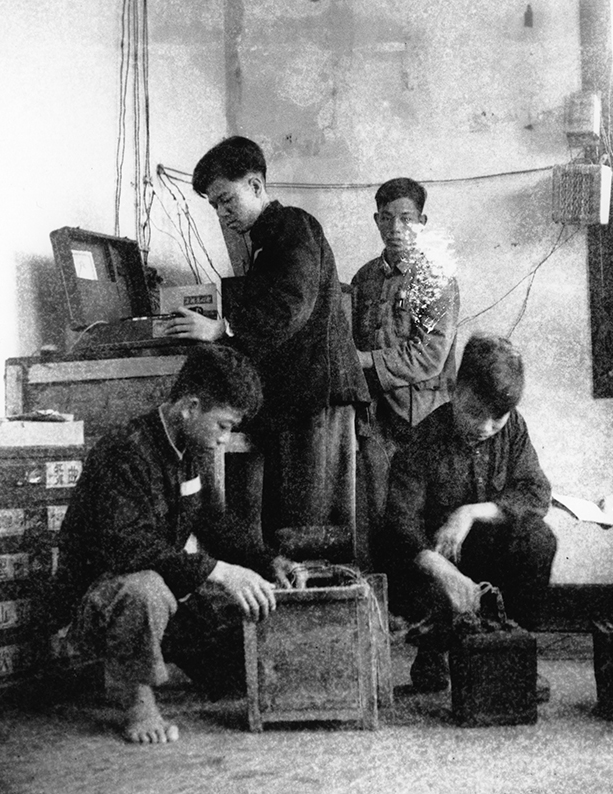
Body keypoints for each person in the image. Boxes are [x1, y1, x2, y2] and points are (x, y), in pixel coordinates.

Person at [54, 345, 297, 744]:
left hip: (167, 593)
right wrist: (220, 572)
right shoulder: (124, 451)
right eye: (223, 425)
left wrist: (267, 561)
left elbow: (213, 521)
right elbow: (128, 549)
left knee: (246, 673)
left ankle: (154, 660)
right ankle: (137, 699)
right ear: (190, 407)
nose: (225, 439)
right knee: (143, 589)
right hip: (99, 599)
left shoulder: (190, 449)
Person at [166, 135, 369, 550]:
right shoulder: (265, 241)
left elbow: (291, 305)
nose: (222, 214)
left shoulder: (292, 225)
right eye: (214, 206)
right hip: (303, 401)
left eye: (226, 200)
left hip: (318, 400)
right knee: (292, 525)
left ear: (256, 186)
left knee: (308, 531)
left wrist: (223, 330)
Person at [383, 334, 557, 692]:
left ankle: (515, 651)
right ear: (455, 389)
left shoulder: (513, 429)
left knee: (538, 540)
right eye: (475, 412)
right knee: (400, 560)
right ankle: (432, 650)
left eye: (498, 418)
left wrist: (469, 512)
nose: (485, 426)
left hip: (489, 557)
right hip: (437, 563)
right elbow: (400, 523)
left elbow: (536, 494)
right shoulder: (422, 441)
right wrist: (441, 569)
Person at [351, 177, 460, 577]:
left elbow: (430, 355)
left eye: (407, 219)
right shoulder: (363, 280)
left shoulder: (436, 277)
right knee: (378, 518)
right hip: (376, 420)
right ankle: (389, 611)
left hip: (425, 419)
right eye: (387, 219)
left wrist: (363, 360)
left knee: (423, 518)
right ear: (377, 221)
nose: (396, 228)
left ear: (423, 221)